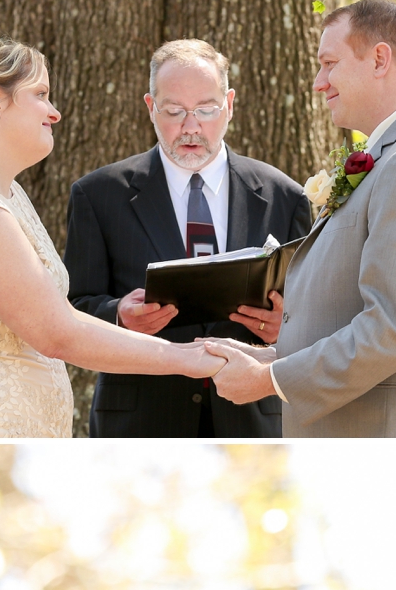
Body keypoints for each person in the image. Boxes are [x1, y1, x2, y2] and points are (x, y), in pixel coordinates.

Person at [206, 0, 396, 439]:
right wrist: (276, 358)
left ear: (380, 59)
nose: (319, 83)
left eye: (329, 64)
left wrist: (270, 380)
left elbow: (393, 331)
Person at [0, 40, 221, 440]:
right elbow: (57, 333)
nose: (54, 112)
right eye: (40, 95)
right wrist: (186, 358)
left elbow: (56, 314)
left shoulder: (5, 193)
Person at [64, 39, 312, 440]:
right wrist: (118, 316)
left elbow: (315, 316)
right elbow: (72, 309)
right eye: (174, 111)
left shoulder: (284, 196)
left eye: (206, 109)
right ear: (150, 107)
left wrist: (284, 328)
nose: (191, 126)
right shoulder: (98, 195)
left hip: (253, 423)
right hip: (139, 424)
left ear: (229, 104)